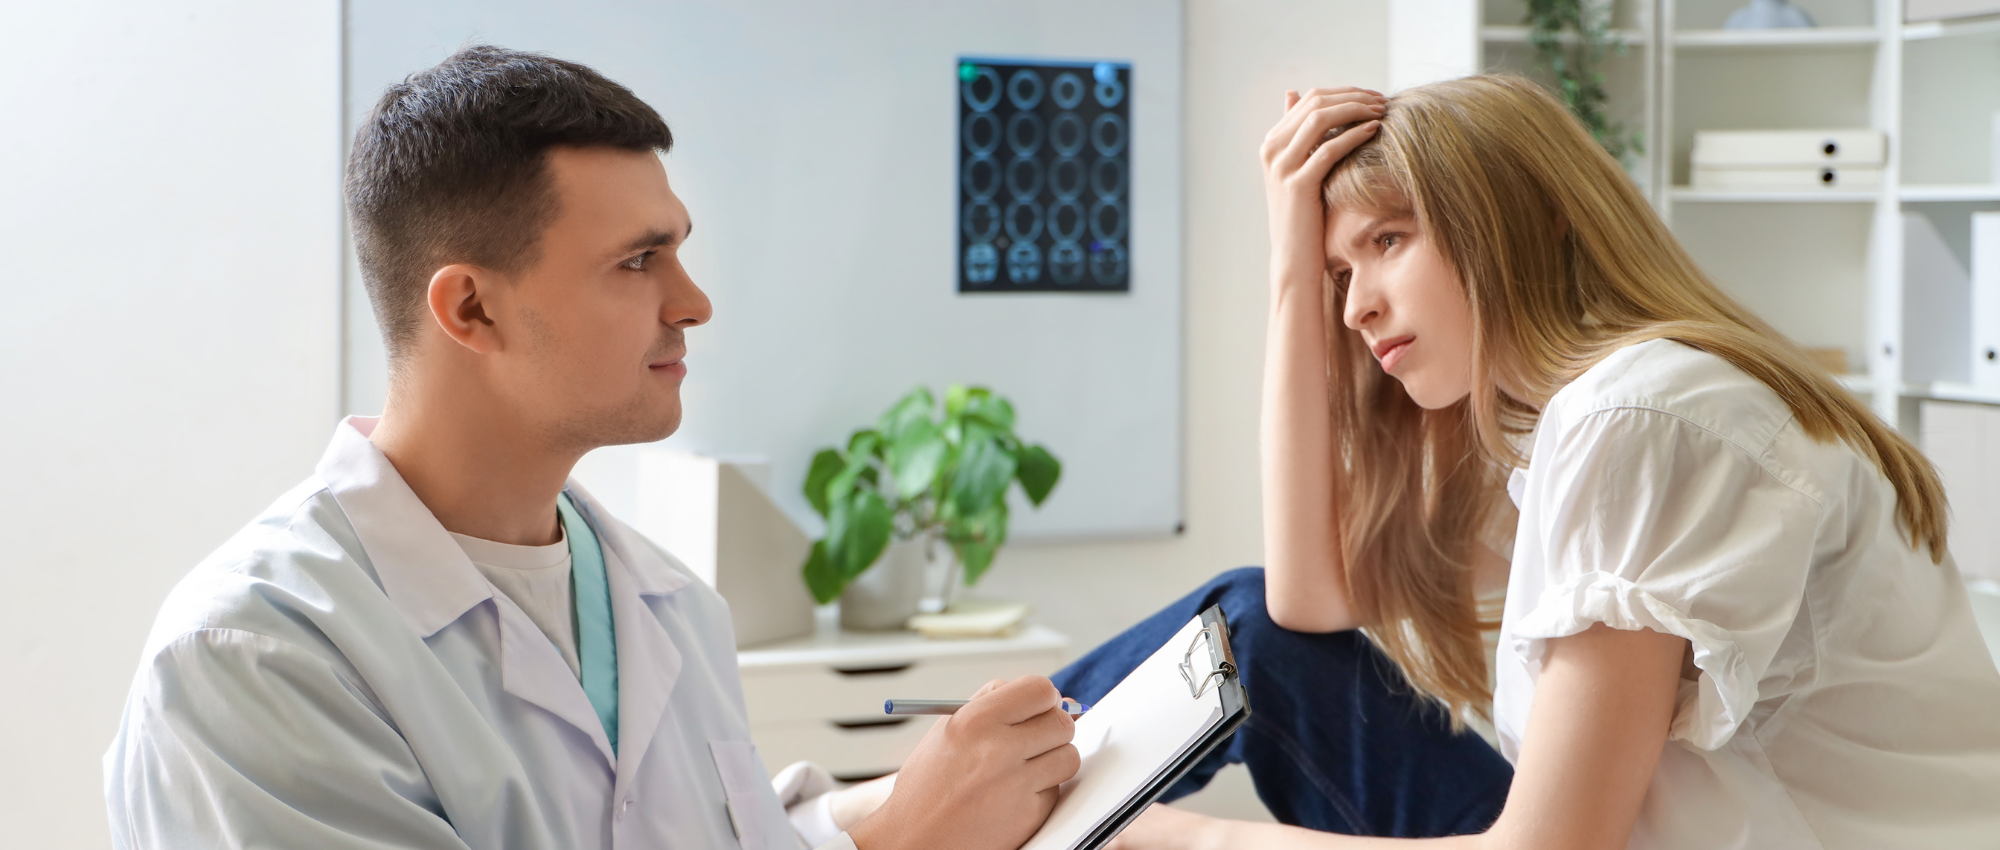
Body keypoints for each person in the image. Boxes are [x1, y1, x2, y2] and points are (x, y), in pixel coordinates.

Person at [102, 46, 1080, 850]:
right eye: (637, 261)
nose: (692, 302)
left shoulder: (665, 605)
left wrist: (909, 806)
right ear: (471, 308)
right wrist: (902, 836)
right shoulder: (256, 660)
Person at [1075, 74, 2000, 848]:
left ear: (1527, 218)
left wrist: (1148, 834)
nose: (1355, 310)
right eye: (1339, 276)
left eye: (1388, 242)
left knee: (1105, 776)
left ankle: (987, 799)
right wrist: (1289, 266)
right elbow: (1300, 602)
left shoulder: (1647, 417)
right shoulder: (1580, 425)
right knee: (1250, 631)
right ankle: (978, 781)